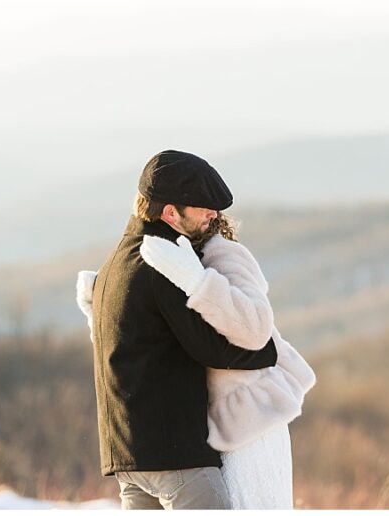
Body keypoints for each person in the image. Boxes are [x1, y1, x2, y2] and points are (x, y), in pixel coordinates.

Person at [84, 150, 280, 509]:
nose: (214, 215)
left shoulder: (116, 261)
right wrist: (267, 351)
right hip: (175, 458)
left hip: (128, 456)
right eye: (203, 206)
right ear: (171, 212)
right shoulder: (164, 261)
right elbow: (210, 348)